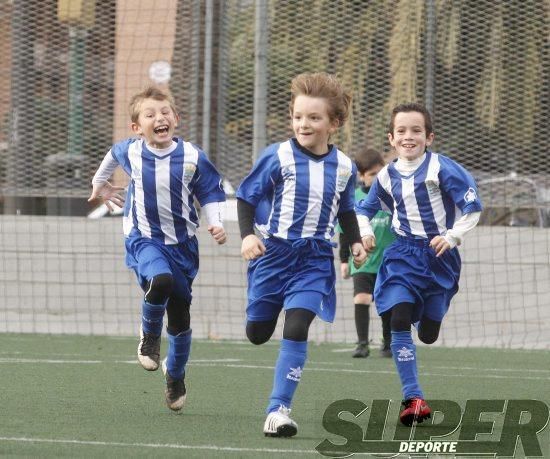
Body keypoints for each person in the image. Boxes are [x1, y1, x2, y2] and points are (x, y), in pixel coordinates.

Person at [236, 72, 367, 438]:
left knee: (296, 326)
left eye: (313, 118)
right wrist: (248, 236)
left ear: (334, 123)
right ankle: (260, 313)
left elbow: (345, 211)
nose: (303, 124)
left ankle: (278, 410)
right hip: (273, 254)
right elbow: (246, 197)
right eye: (297, 117)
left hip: (314, 260)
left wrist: (353, 243)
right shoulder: (277, 156)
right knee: (258, 333)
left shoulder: (344, 166)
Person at [88, 87, 227, 411]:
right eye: (149, 114)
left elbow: (211, 191)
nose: (159, 118)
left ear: (176, 118)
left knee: (180, 316)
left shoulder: (192, 156)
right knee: (160, 281)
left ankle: (175, 375)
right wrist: (100, 183)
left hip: (184, 246)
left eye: (165, 112)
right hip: (144, 239)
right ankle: (149, 337)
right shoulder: (132, 152)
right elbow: (112, 154)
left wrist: (216, 222)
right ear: (137, 128)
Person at [356, 103, 482, 426]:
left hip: (440, 257)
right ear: (391, 138)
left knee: (427, 334)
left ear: (429, 137)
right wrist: (366, 232)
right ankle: (414, 398)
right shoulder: (386, 175)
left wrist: (452, 237)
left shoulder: (442, 169)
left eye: (416, 131)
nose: (408, 137)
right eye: (401, 131)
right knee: (398, 317)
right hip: (402, 254)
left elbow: (472, 208)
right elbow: (363, 210)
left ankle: (425, 314)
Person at [338, 148, 395, 358]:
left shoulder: (392, 196)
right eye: (372, 174)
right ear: (361, 176)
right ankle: (362, 344)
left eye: (380, 173)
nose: (377, 178)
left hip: (389, 261)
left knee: (389, 302)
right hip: (363, 261)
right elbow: (344, 232)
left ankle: (388, 343)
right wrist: (344, 260)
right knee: (361, 298)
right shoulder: (354, 198)